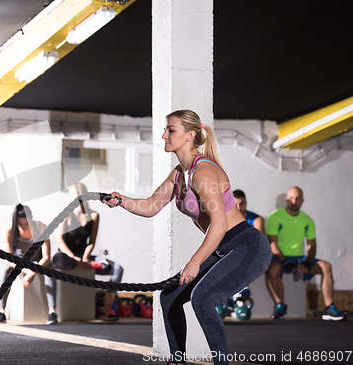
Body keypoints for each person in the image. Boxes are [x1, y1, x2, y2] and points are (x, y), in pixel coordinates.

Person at [103, 110, 271, 365]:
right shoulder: (179, 174)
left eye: (170, 130)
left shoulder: (203, 171)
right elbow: (150, 206)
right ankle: (177, 360)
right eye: (165, 129)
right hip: (224, 246)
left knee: (203, 298)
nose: (164, 135)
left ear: (189, 135)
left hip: (247, 245)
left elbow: (220, 224)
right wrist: (122, 200)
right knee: (169, 297)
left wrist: (194, 262)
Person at [266, 186, 343, 321]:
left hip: (299, 258)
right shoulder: (275, 217)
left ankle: (329, 308)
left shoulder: (308, 220)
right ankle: (281, 306)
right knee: (273, 269)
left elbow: (311, 245)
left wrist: (307, 261)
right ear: (287, 200)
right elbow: (272, 244)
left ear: (302, 201)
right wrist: (285, 261)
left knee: (326, 266)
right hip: (280, 258)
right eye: (291, 198)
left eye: (297, 198)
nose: (294, 201)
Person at [53, 182, 124, 321]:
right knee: (58, 260)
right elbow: (59, 240)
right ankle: (81, 266)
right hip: (67, 257)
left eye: (80, 193)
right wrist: (73, 257)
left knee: (117, 269)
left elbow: (91, 242)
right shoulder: (66, 215)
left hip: (83, 257)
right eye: (74, 194)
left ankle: (107, 309)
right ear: (70, 197)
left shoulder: (94, 216)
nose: (78, 196)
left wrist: (85, 258)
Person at [0, 203, 58, 325]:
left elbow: (47, 257)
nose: (23, 227)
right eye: (20, 224)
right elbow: (8, 257)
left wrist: (32, 272)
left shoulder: (41, 227)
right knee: (4, 271)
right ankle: (1, 312)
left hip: (37, 261)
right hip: (17, 261)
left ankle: (52, 312)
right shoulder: (8, 229)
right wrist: (26, 271)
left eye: (26, 223)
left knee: (51, 271)